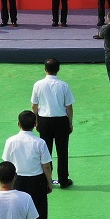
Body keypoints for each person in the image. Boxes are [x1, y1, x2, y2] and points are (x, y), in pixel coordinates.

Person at [3, 110, 54, 219]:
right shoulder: (40, 142)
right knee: (40, 214)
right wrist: (49, 182)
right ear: (35, 124)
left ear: (18, 124)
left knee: (20, 214)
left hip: (18, 181)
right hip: (37, 181)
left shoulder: (10, 141)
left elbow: (7, 163)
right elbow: (46, 166)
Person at [31, 58, 75, 188]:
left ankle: (47, 180)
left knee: (46, 152)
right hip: (61, 121)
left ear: (45, 69)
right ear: (58, 69)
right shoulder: (63, 85)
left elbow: (34, 105)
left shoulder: (38, 85)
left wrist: (36, 121)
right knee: (62, 151)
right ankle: (63, 180)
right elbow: (69, 107)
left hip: (44, 120)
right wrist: (70, 123)